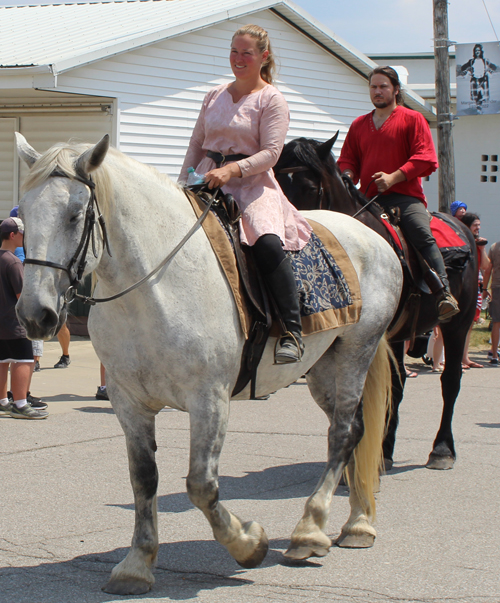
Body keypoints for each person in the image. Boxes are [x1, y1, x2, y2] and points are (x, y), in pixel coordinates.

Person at [179, 24, 312, 363]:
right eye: (234, 51)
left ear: (263, 56)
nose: (238, 59)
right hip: (207, 179)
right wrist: (181, 184)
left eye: (246, 53)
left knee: (266, 242)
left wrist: (233, 170)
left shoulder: (271, 99)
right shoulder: (213, 95)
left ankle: (292, 332)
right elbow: (197, 143)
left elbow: (271, 153)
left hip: (252, 183)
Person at [338, 66, 459, 322]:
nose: (377, 91)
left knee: (421, 234)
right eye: (373, 87)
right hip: (368, 199)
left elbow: (426, 158)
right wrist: (347, 176)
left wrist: (394, 177)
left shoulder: (412, 119)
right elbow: (348, 160)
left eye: (383, 86)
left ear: (395, 89)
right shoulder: (359, 124)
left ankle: (443, 293)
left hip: (405, 198)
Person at [0, 218, 48, 419]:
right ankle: (20, 404)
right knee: (24, 361)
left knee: (2, 362)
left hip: (1, 322)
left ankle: (2, 402)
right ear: (13, 235)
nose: (24, 237)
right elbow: (22, 296)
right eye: (22, 233)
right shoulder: (13, 261)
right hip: (16, 322)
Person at [461, 212, 489, 368]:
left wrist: (482, 249)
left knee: (470, 324)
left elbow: (485, 266)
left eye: (479, 225)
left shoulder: (479, 243)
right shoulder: (461, 241)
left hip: (475, 286)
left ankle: (465, 358)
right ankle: (453, 358)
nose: (478, 228)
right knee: (460, 324)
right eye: (475, 225)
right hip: (463, 285)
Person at [456, 43, 499, 114]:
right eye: (476, 51)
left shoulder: (485, 61)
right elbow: (463, 68)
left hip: (483, 80)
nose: (477, 52)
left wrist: (489, 69)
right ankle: (478, 108)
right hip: (475, 80)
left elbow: (494, 67)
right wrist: (468, 69)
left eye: (478, 50)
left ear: (481, 51)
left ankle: (480, 108)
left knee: (483, 96)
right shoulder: (471, 61)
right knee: (476, 97)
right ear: (474, 52)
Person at [483, 239, 500, 365]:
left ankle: (494, 355)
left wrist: (484, 288)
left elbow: (488, 269)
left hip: (497, 286)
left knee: (496, 322)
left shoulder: (494, 247)